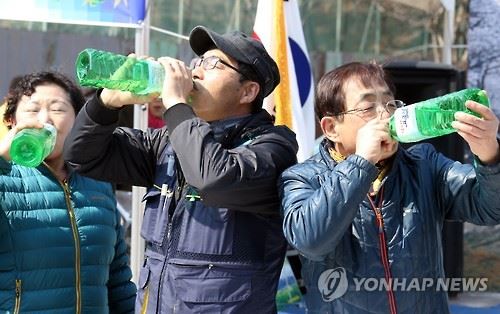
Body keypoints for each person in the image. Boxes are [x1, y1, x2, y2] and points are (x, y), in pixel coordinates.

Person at [63, 25, 298, 313]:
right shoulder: (168, 140)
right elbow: (81, 155)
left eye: (212, 64)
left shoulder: (272, 146)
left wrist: (175, 103)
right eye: (197, 61)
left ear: (248, 91)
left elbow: (213, 178)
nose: (195, 71)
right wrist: (106, 103)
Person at [279, 62, 500, 313]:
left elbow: (491, 208)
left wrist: (489, 155)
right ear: (331, 128)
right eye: (368, 107)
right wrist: (361, 163)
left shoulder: (425, 165)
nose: (385, 115)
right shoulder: (302, 177)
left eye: (390, 104)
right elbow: (311, 241)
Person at [0, 71, 136, 313]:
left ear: (78, 121)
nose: (45, 120)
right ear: (11, 121)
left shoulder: (98, 180)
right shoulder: (4, 179)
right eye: (32, 110)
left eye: (58, 109)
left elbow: (117, 277)